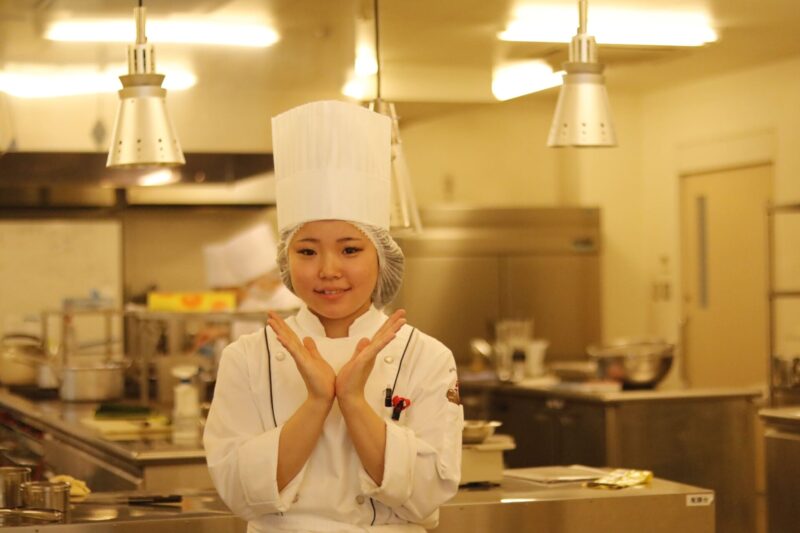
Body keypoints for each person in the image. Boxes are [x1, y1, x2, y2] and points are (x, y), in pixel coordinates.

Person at [203, 100, 463, 533]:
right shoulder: (246, 357)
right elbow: (237, 492)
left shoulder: (427, 357)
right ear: (286, 260)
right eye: (307, 251)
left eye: (350, 249)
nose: (328, 270)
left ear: (381, 256)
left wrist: (353, 401)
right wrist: (318, 402)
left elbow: (428, 494)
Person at [203, 223, 302, 341]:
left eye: (251, 283)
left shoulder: (293, 299)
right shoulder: (251, 303)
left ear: (268, 276)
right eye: (246, 285)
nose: (249, 289)